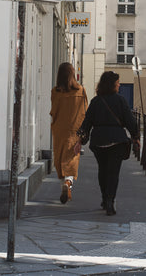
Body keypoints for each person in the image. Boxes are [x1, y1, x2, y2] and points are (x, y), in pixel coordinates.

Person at [78, 71, 139, 216]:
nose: (119, 85)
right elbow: (130, 120)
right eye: (117, 83)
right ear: (112, 84)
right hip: (116, 141)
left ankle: (105, 198)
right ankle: (110, 200)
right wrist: (135, 136)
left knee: (103, 170)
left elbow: (87, 122)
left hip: (99, 141)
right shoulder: (121, 100)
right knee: (113, 172)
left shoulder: (96, 101)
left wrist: (80, 140)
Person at [50, 62, 88, 204]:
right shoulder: (81, 91)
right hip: (74, 131)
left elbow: (53, 111)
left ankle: (63, 185)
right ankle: (68, 184)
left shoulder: (55, 92)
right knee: (71, 160)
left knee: (60, 160)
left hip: (60, 130)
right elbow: (85, 111)